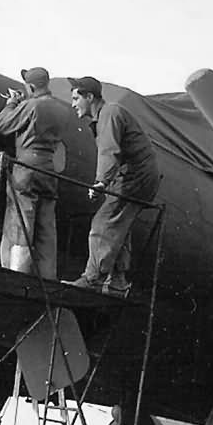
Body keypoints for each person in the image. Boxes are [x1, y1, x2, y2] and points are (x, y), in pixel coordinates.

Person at [66, 77, 161, 295]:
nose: (72, 104)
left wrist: (101, 181)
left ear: (89, 97)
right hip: (138, 176)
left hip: (134, 177)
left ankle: (93, 279)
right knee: (120, 223)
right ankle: (117, 280)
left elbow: (110, 150)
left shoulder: (109, 113)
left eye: (75, 98)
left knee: (104, 221)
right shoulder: (106, 115)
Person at [0, 67, 73, 279]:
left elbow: (2, 125)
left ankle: (16, 275)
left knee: (22, 222)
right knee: (46, 228)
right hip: (49, 168)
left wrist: (12, 103)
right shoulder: (62, 109)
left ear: (30, 86)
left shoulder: (32, 106)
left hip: (27, 166)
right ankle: (48, 278)